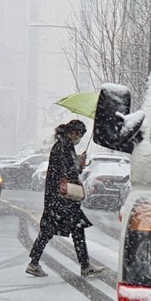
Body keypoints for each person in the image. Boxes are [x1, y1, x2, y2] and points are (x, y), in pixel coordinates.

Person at [26, 119, 105, 278]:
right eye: (79, 135)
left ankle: (35, 263)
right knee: (68, 228)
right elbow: (68, 171)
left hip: (57, 198)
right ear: (74, 132)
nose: (79, 139)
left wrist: (77, 163)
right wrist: (79, 164)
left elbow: (67, 169)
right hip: (62, 198)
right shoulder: (64, 147)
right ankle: (84, 266)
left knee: (57, 229)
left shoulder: (62, 145)